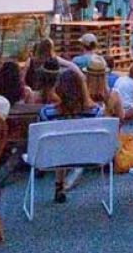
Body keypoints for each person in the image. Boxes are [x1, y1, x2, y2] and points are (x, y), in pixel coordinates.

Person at [38, 69, 104, 203]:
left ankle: (59, 185)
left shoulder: (47, 113)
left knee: (59, 144)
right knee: (66, 144)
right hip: (87, 156)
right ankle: (62, 185)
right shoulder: (95, 112)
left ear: (59, 89)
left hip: (54, 157)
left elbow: (43, 137)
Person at [83, 55, 125, 121]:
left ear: (87, 74)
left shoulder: (81, 95)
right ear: (105, 75)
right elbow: (121, 120)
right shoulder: (114, 95)